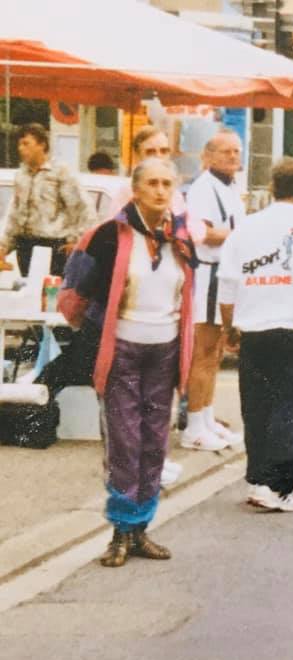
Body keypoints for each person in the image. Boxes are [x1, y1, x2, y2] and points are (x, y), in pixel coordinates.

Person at [58, 157, 196, 567]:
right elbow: (72, 296)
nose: (160, 191)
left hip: (165, 351)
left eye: (167, 183)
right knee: (125, 441)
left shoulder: (180, 236)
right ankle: (121, 530)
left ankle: (140, 529)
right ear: (134, 190)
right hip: (122, 350)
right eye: (152, 183)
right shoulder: (108, 235)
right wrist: (97, 330)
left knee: (155, 442)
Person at [217, 158, 293, 512]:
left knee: (256, 405)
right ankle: (276, 485)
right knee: (289, 405)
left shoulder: (246, 227)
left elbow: (228, 283)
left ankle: (257, 478)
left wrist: (229, 327)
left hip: (254, 327)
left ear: (272, 188)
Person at [182, 129, 245, 452]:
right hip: (209, 275)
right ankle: (193, 425)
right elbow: (202, 233)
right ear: (208, 156)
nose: (233, 156)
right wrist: (240, 235)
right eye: (225, 151)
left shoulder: (231, 186)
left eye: (236, 151)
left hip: (226, 274)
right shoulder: (203, 188)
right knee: (203, 353)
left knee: (217, 352)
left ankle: (207, 419)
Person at [0, 123, 95, 278]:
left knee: (50, 290)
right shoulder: (21, 175)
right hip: (25, 245)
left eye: (26, 144)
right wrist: (4, 246)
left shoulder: (60, 172)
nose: (21, 149)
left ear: (42, 144)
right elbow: (15, 214)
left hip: (53, 245)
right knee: (30, 288)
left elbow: (82, 208)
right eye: (19, 144)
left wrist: (77, 241)